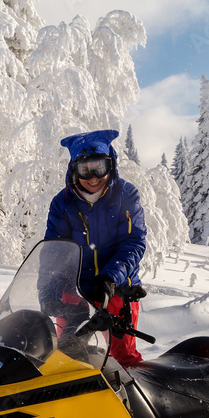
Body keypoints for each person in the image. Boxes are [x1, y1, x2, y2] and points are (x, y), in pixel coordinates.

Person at [44, 129, 147, 367]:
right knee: (69, 354)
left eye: (99, 167)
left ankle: (135, 400)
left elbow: (134, 241)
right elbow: (54, 252)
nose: (93, 177)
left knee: (125, 357)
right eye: (85, 169)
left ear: (110, 165)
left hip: (117, 289)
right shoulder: (62, 203)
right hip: (76, 290)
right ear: (74, 170)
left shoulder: (125, 194)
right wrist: (47, 292)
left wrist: (111, 277)